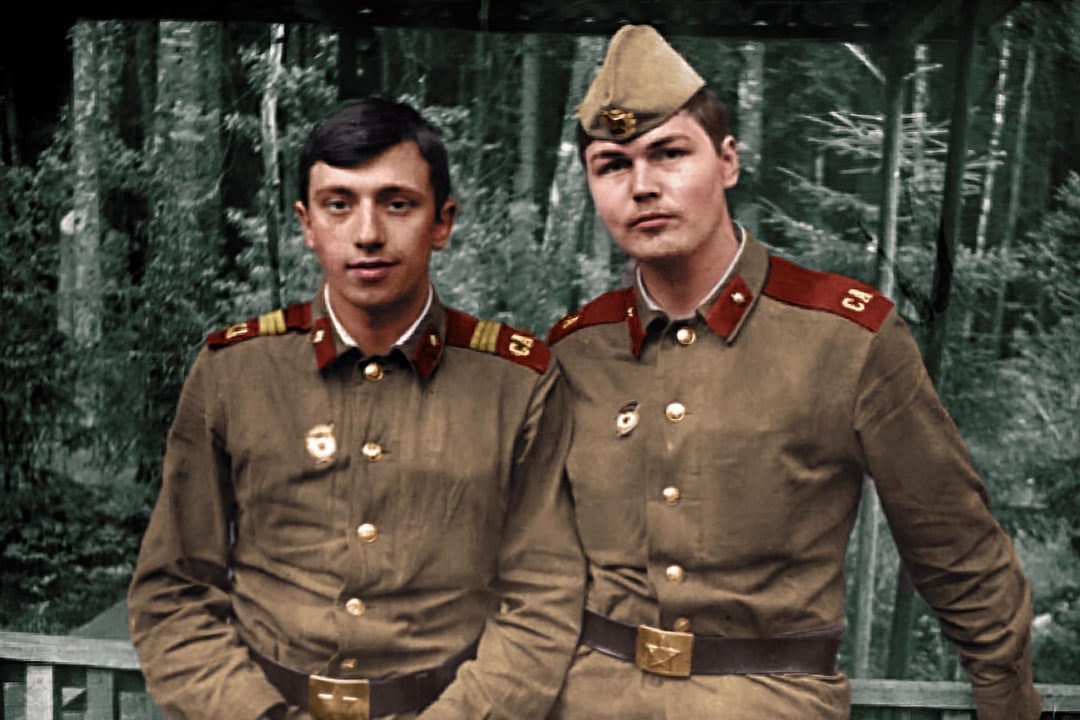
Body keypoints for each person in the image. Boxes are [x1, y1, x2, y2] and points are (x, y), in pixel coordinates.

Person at [544, 24, 1042, 720]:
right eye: (612, 165)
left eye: (668, 154)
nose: (643, 186)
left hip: (769, 700)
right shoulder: (574, 350)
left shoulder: (845, 339)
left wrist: (1005, 696)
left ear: (728, 162)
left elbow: (953, 543)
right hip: (586, 701)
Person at [127, 97, 584, 720]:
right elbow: (174, 591)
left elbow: (541, 602)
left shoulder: (517, 383)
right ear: (306, 223)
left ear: (443, 222)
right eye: (338, 204)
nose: (367, 234)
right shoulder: (236, 371)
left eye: (397, 203)